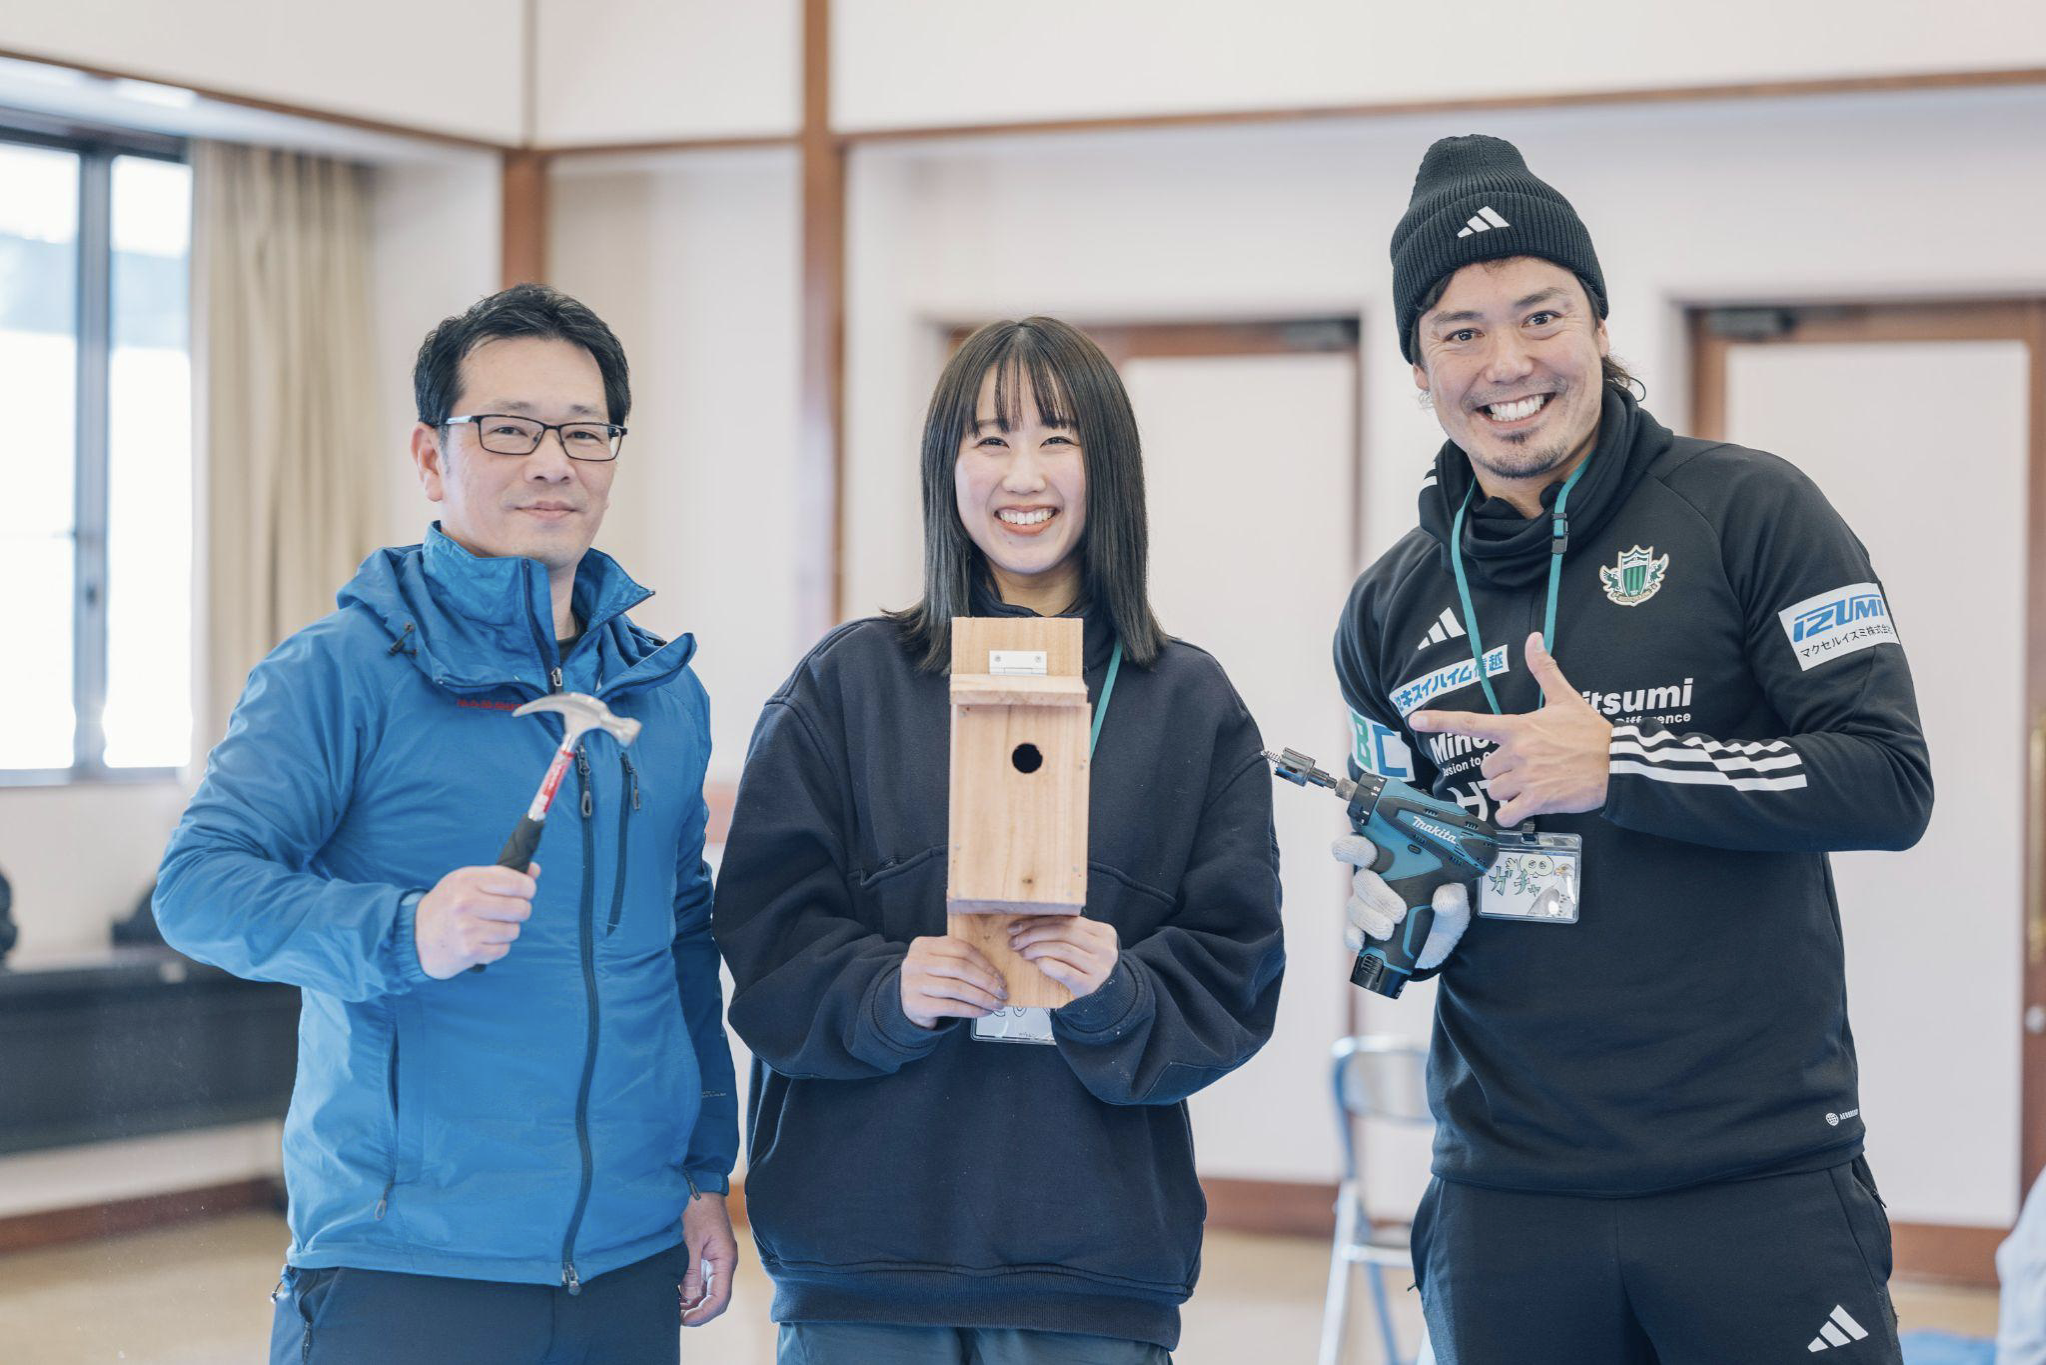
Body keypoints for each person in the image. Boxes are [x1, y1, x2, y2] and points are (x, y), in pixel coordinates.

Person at [1332, 135, 1933, 1364]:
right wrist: (1402, 905)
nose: (1508, 363)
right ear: (1418, 367)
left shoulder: (1752, 511)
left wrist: (1625, 767)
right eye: (1460, 331)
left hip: (1754, 1178)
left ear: (1599, 326)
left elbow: (1888, 778)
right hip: (1506, 1195)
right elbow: (1398, 848)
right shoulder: (1387, 608)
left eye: (1540, 314)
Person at [154, 284, 738, 1364]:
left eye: (584, 432)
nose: (553, 462)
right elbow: (198, 887)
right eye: (510, 429)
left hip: (626, 1260)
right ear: (431, 456)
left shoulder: (662, 696)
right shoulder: (338, 673)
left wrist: (706, 1173)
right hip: (405, 1264)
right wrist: (404, 931)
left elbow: (682, 948)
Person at [712, 317, 1286, 1363]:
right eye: (990, 438)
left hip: (1093, 1265)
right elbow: (765, 941)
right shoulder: (846, 685)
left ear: (1109, 467)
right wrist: (887, 989)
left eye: (1058, 437)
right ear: (947, 469)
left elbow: (1236, 967)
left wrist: (1121, 989)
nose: (1024, 473)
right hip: (862, 1261)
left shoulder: (1190, 704)